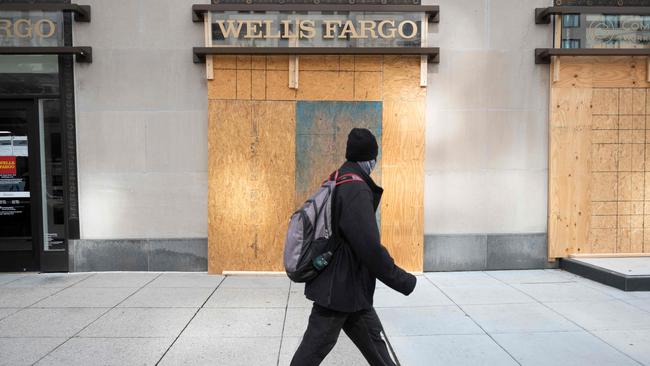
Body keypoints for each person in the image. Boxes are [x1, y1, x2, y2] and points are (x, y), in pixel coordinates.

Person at [290, 128, 417, 366]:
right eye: (374, 157)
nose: (375, 163)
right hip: (338, 291)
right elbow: (369, 247)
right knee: (311, 352)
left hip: (349, 288)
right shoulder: (356, 188)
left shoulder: (340, 177)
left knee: (376, 346)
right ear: (369, 158)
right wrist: (402, 280)